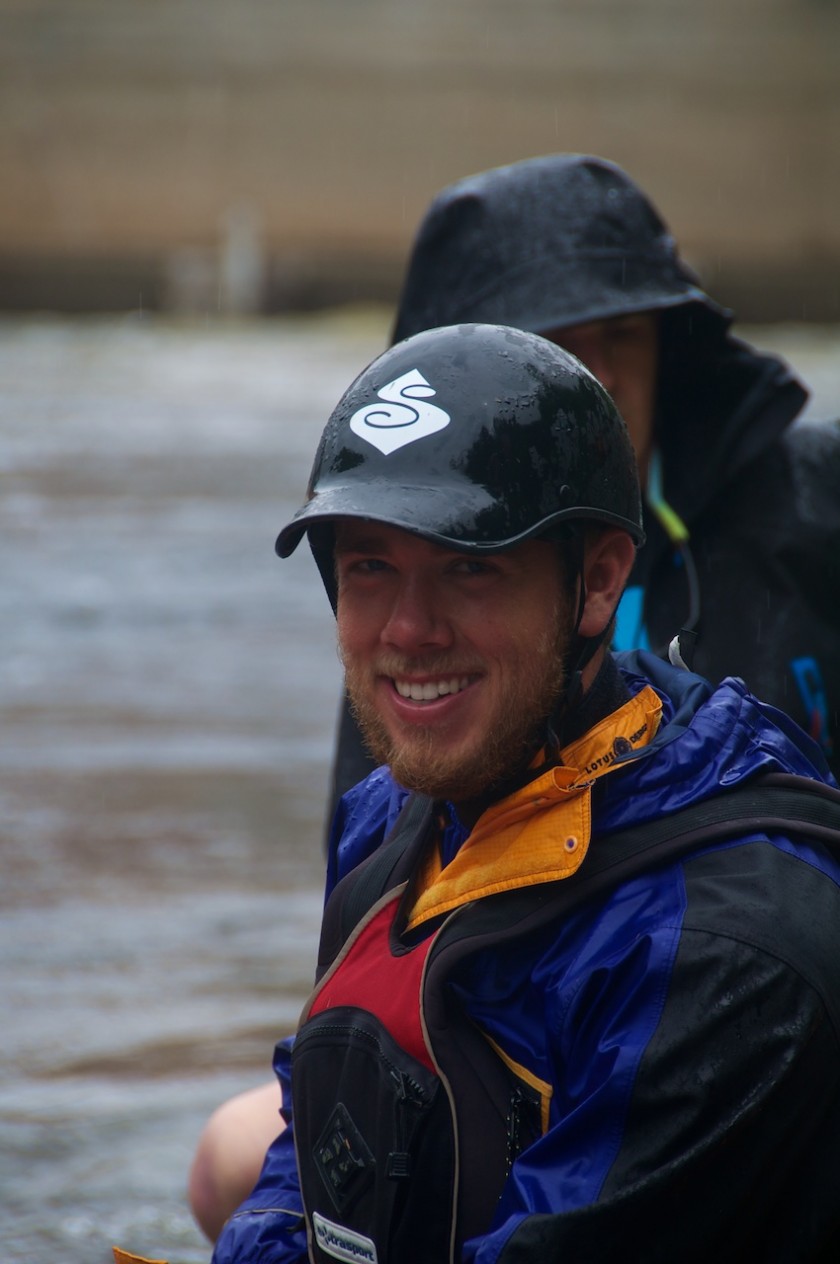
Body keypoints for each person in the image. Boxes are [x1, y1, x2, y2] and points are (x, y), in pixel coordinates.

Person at [190, 153, 840, 1238]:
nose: (408, 630)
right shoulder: (392, 813)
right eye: (370, 568)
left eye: (471, 564)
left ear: (599, 580)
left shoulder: (730, 946)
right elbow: (307, 1163)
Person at [329, 153, 840, 809]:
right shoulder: (414, 620)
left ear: (669, 350)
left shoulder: (811, 499)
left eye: (623, 335)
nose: (599, 374)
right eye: (555, 346)